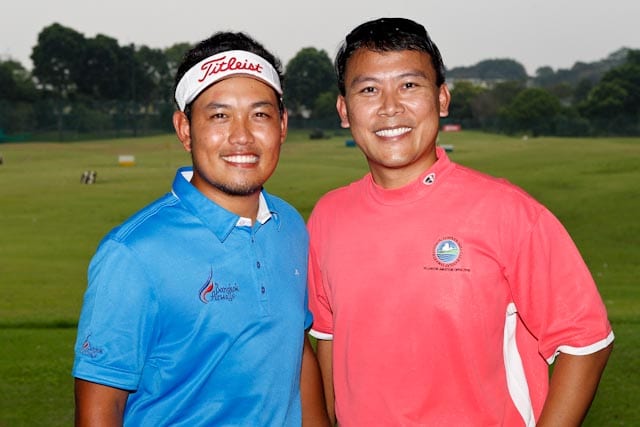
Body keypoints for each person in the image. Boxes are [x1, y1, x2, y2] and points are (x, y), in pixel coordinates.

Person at [307, 17, 614, 426]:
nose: (390, 107)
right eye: (369, 90)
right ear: (344, 110)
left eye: (409, 85)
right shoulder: (328, 216)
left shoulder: (508, 212)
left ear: (442, 99)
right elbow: (328, 337)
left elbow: (586, 342)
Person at [73, 31, 329, 426]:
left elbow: (296, 350)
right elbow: (100, 410)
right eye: (219, 115)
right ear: (184, 128)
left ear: (282, 125)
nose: (242, 136)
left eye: (260, 114)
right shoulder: (132, 254)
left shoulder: (290, 225)